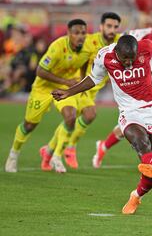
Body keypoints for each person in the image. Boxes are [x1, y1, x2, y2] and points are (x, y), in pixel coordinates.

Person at [52, 35, 152, 215]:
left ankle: (136, 195)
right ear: (117, 53)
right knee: (139, 141)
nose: (129, 63)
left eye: (132, 59)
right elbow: (93, 79)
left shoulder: (146, 46)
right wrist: (69, 92)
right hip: (129, 110)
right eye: (125, 59)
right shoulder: (105, 56)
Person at [92, 5, 152, 169]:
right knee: (135, 123)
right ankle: (107, 146)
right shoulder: (140, 35)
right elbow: (121, 46)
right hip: (134, 83)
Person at [5, 19, 90, 173]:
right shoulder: (57, 47)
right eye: (77, 33)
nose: (81, 36)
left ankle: (56, 155)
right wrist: (66, 81)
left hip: (64, 87)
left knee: (70, 118)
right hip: (43, 88)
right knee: (29, 125)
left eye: (83, 33)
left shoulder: (86, 49)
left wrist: (81, 82)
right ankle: (13, 154)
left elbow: (84, 63)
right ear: (69, 34)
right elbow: (40, 71)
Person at [58, 12, 122, 169]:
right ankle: (67, 149)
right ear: (101, 26)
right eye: (108, 26)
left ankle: (52, 150)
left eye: (115, 26)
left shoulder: (119, 42)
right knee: (83, 116)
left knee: (77, 119)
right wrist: (79, 79)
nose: (112, 30)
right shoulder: (89, 41)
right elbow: (79, 60)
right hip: (81, 87)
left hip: (94, 89)